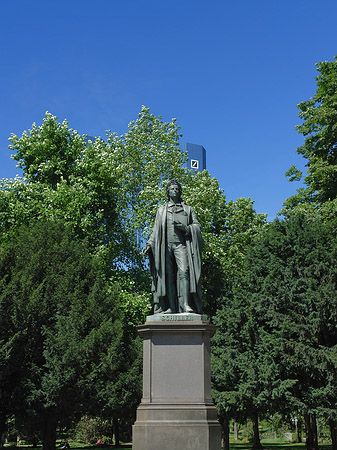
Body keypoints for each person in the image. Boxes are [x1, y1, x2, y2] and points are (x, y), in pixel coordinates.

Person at [142, 179, 202, 314]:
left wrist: (186, 228)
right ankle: (171, 307)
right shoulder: (161, 210)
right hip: (165, 246)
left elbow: (197, 226)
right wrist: (149, 244)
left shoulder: (188, 209)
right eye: (172, 189)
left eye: (177, 189)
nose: (174, 191)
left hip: (181, 245)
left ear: (180, 192)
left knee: (184, 272)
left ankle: (186, 304)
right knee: (167, 275)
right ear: (168, 192)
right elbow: (155, 231)